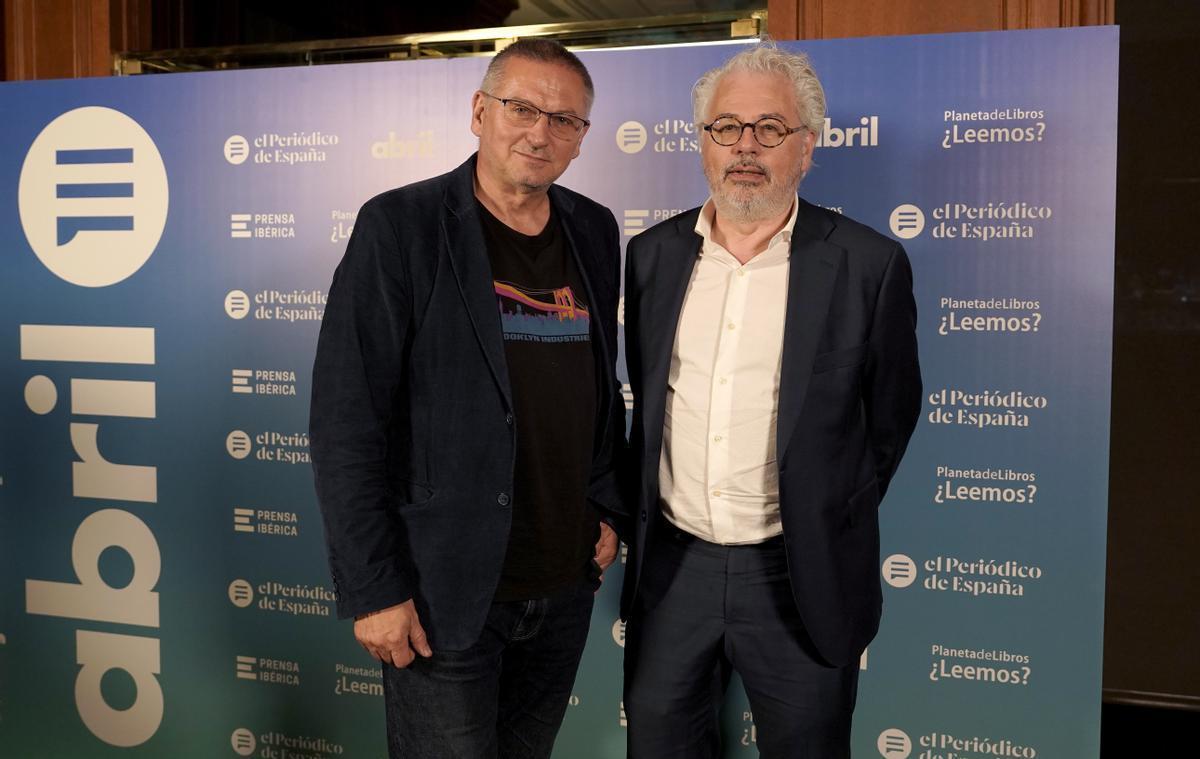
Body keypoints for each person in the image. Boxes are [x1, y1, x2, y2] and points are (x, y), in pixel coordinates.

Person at [309, 39, 625, 759]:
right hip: (439, 594)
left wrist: (607, 506)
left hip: (561, 585)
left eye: (564, 119)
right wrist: (373, 587)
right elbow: (345, 420)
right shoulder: (401, 227)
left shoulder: (595, 228)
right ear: (479, 111)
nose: (540, 132)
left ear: (581, 138)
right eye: (521, 108)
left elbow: (598, 389)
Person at [620, 42, 922, 758]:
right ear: (702, 142)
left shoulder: (869, 264)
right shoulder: (653, 255)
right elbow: (646, 398)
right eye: (726, 127)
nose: (745, 147)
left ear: (807, 147)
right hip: (673, 570)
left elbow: (889, 419)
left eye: (769, 129)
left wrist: (823, 507)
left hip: (800, 576)